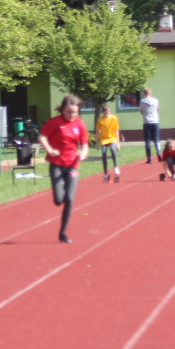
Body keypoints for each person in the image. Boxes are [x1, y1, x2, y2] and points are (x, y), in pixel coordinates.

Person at [39, 94, 89, 243]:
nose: (72, 115)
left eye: (74, 112)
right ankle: (58, 191)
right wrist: (49, 149)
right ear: (62, 110)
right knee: (58, 200)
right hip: (57, 164)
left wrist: (83, 154)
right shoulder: (55, 122)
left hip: (72, 165)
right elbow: (42, 137)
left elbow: (84, 144)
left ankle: (63, 232)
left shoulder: (79, 124)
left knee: (70, 198)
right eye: (68, 112)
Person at [96, 104, 122, 182]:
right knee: (103, 153)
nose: (107, 114)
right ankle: (106, 172)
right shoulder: (100, 120)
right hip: (104, 139)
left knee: (112, 149)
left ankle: (116, 166)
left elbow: (116, 130)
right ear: (103, 112)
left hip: (112, 138)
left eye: (108, 112)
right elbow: (97, 131)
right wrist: (97, 142)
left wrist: (118, 143)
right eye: (106, 112)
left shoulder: (114, 118)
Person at [140, 87, 160, 164]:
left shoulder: (142, 101)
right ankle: (158, 152)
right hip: (155, 121)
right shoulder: (155, 101)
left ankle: (149, 158)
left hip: (147, 122)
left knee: (147, 141)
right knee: (156, 139)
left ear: (144, 93)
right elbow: (156, 109)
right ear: (150, 93)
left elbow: (141, 111)